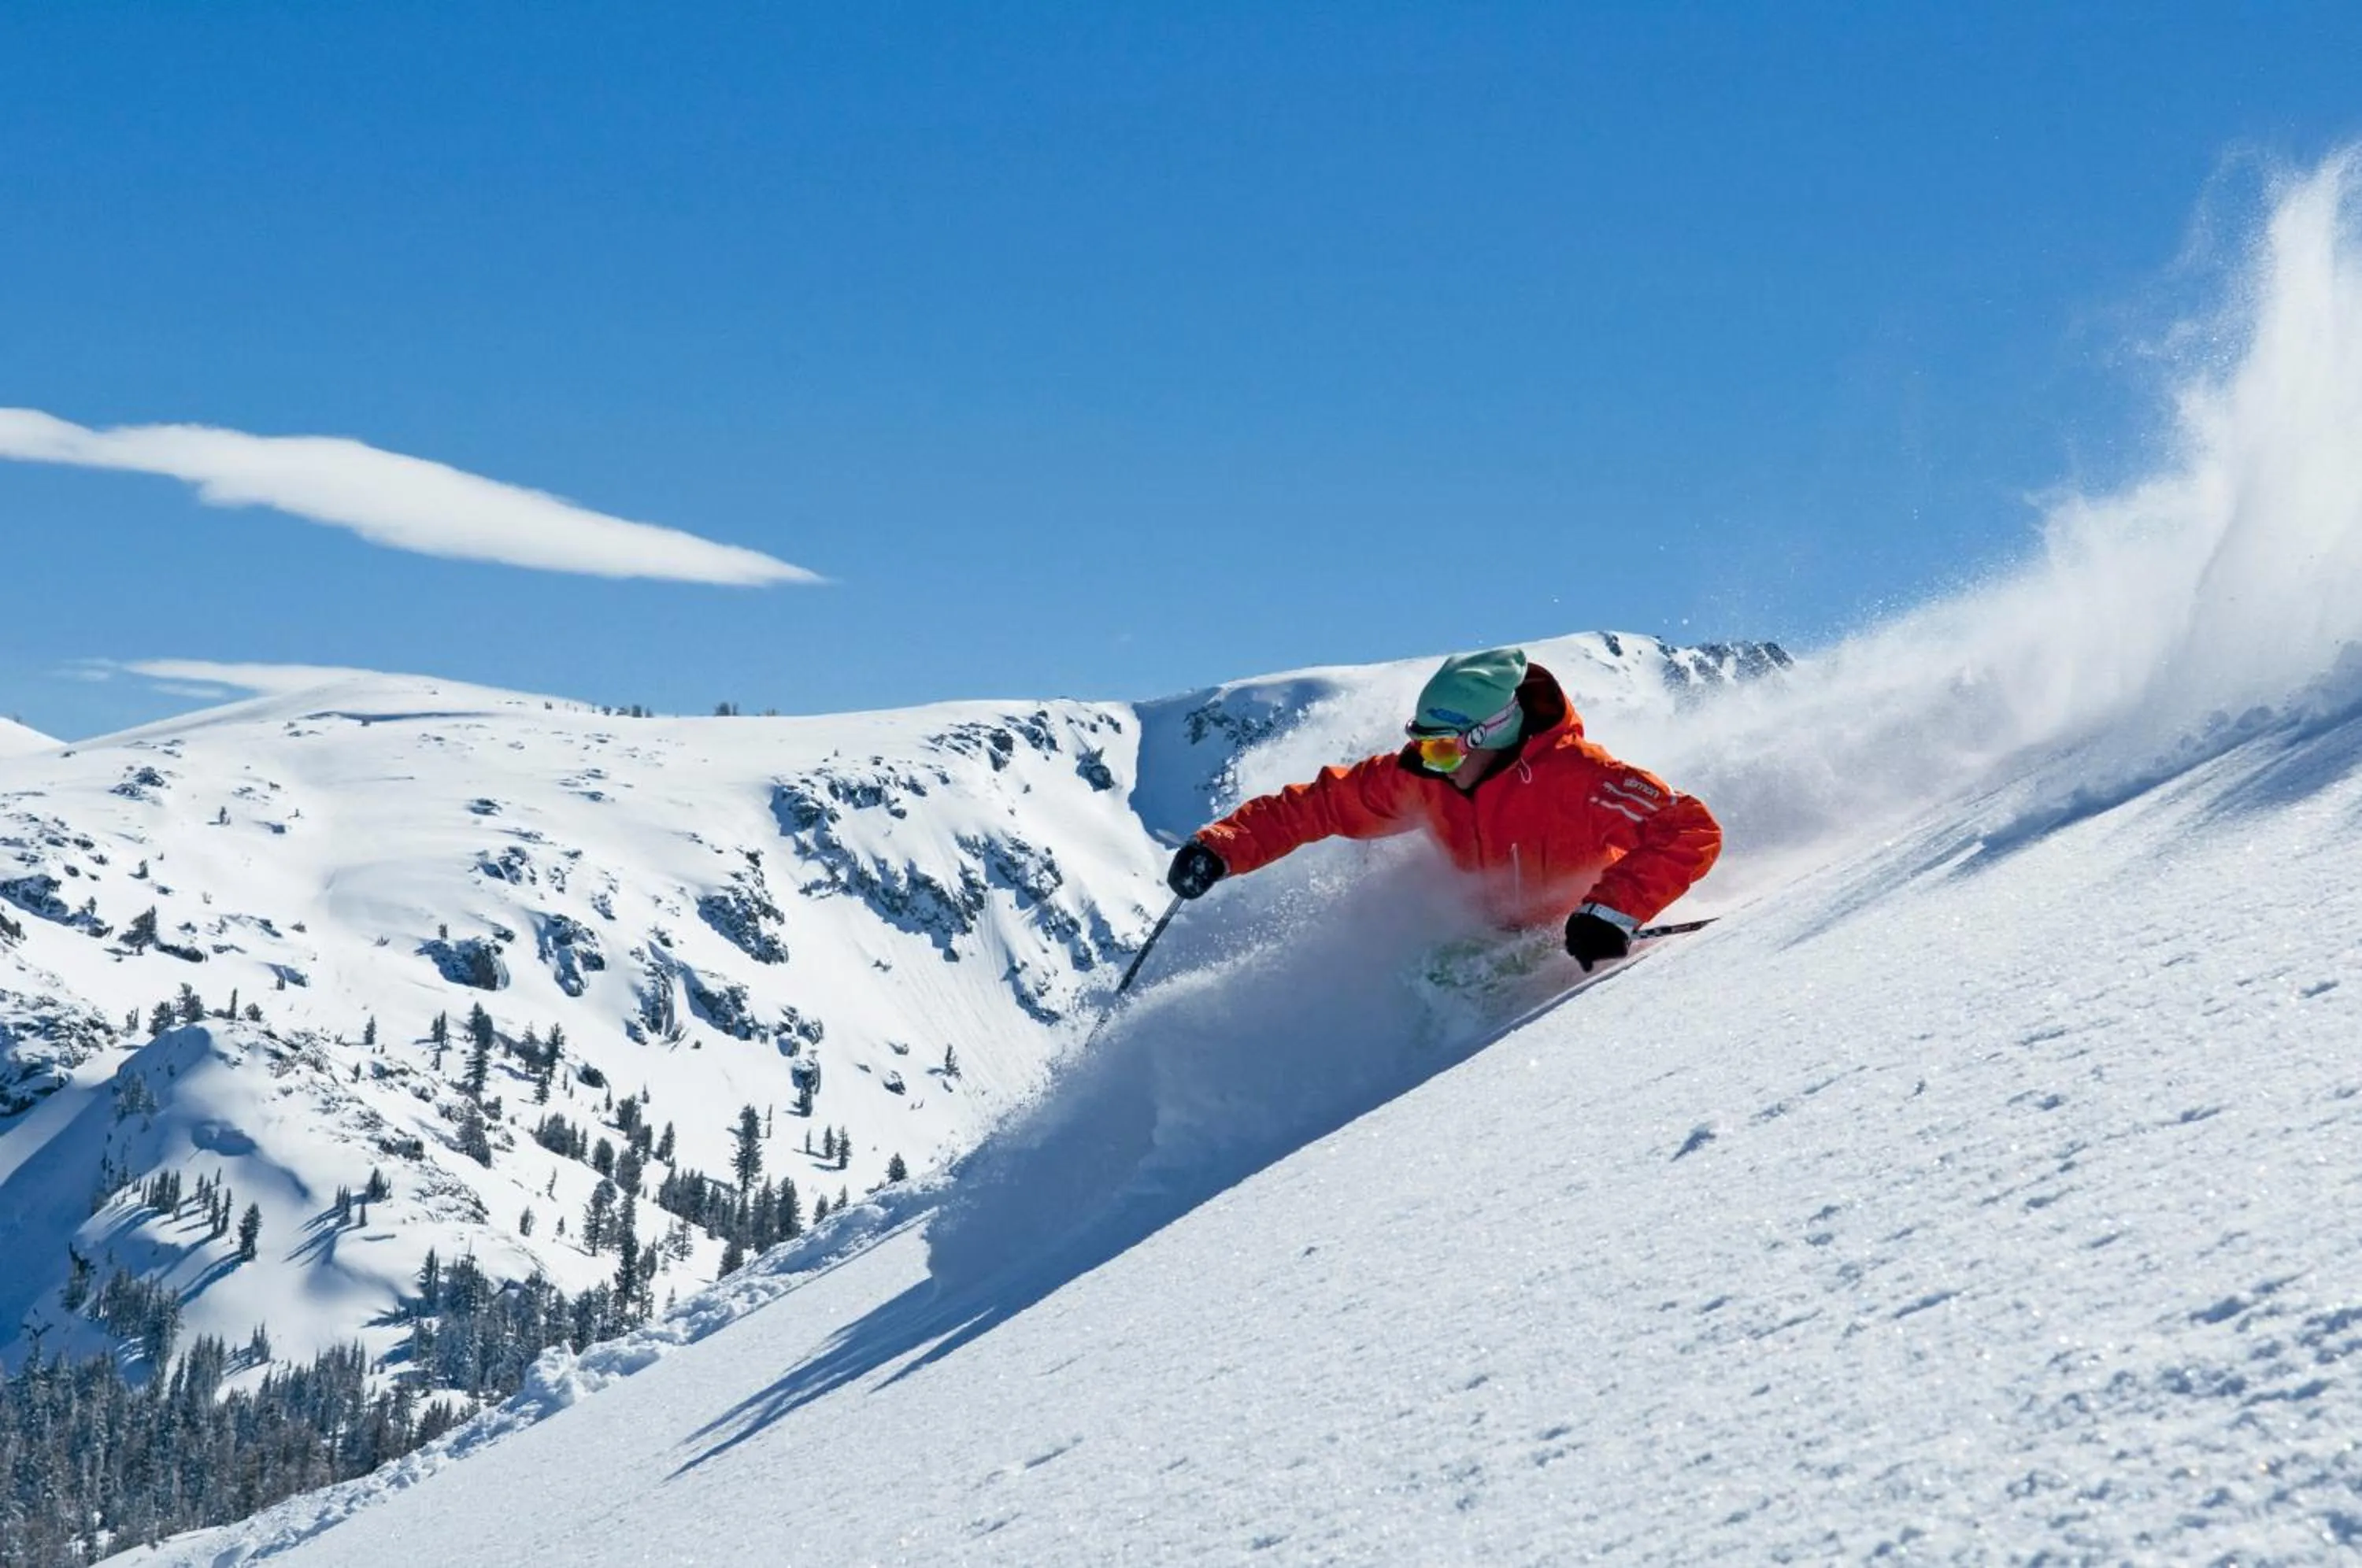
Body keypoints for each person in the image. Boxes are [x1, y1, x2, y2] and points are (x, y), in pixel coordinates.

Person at [1164, 647, 1721, 970]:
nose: (1429, 762)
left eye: (1441, 747)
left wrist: (1611, 912)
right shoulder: (1419, 778)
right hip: (1484, 948)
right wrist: (1219, 849)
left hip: (1572, 953)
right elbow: (1315, 807)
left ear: (1494, 732)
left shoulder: (1577, 778)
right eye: (1421, 743)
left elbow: (1688, 830)